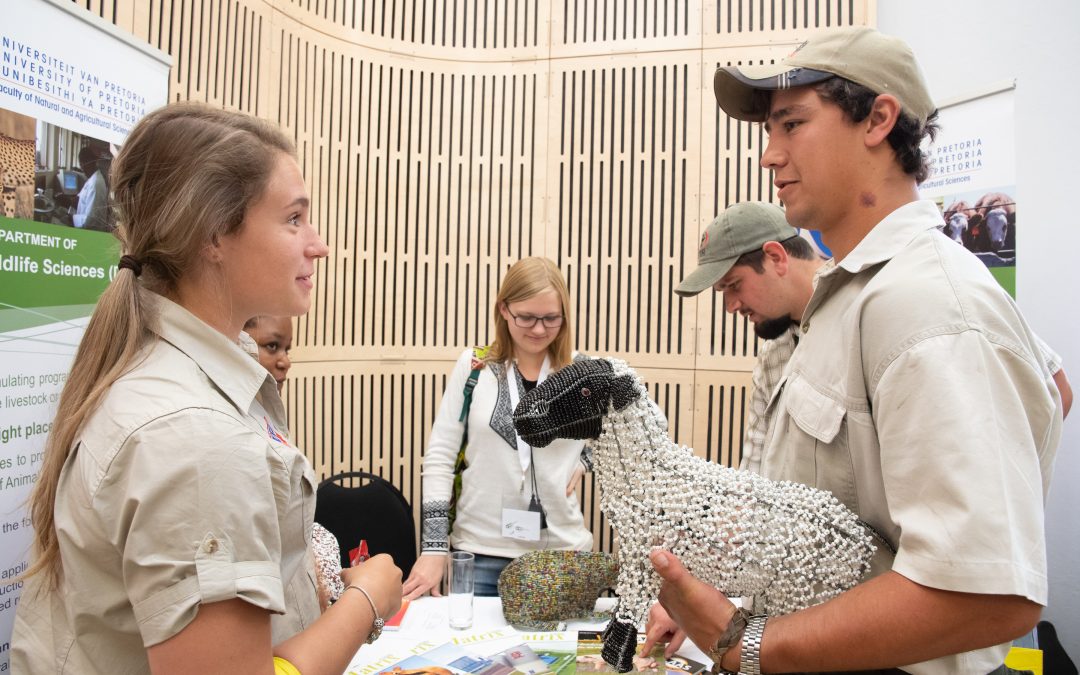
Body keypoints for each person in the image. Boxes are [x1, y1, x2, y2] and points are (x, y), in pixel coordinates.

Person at [644, 27, 1062, 675]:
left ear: (878, 120)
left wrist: (746, 644)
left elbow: (987, 595)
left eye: (792, 124)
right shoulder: (852, 299)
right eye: (769, 131)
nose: (769, 155)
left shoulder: (928, 302)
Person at [12, 102, 402, 675]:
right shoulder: (195, 437)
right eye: (294, 219)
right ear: (214, 233)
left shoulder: (177, 380)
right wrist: (367, 600)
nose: (317, 244)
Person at [675, 203, 1072, 476]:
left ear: (777, 257)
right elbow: (756, 467)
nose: (731, 306)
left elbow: (1054, 385)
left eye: (734, 285)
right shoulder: (772, 354)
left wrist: (1002, 495)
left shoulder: (884, 297)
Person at [403, 257, 594, 599]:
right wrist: (433, 548)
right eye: (526, 317)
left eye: (551, 318)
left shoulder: (583, 373)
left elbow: (640, 435)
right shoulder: (474, 367)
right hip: (479, 555)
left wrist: (587, 460)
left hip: (562, 556)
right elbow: (440, 457)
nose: (539, 329)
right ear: (504, 309)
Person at [242, 314, 347, 610]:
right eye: (272, 346)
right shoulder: (230, 428)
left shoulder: (267, 419)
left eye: (287, 349)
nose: (285, 361)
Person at [71, 145, 111, 231]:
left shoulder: (95, 184)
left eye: (82, 165)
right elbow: (79, 198)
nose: (82, 168)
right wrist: (72, 201)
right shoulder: (92, 179)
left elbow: (90, 221)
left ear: (82, 164)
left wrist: (72, 218)